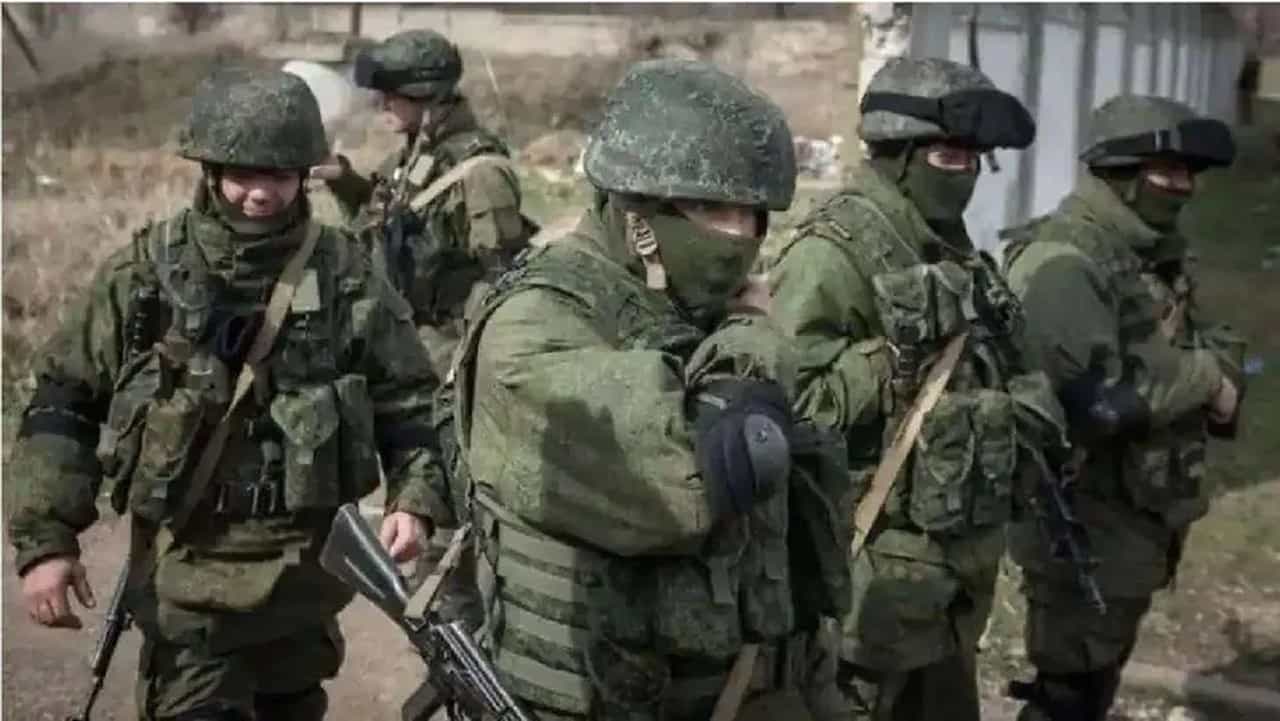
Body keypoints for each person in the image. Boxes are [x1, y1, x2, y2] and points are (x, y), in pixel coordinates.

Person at [6, 68, 448, 721]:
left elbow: (409, 401)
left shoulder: (346, 274)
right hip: (187, 585)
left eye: (280, 175)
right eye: (243, 174)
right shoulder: (148, 273)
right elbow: (63, 403)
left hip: (302, 593)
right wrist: (46, 540)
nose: (261, 193)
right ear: (210, 170)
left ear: (305, 174)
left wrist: (415, 500)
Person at [451, 58, 851, 721]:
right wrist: (754, 335)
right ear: (636, 211)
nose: (740, 236)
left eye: (753, 213)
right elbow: (699, 477)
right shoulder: (536, 325)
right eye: (712, 208)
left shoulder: (691, 302)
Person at [765, 56, 1060, 721]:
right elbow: (785, 405)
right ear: (899, 155)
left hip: (945, 588)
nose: (967, 174)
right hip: (868, 588)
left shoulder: (949, 247)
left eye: (975, 158)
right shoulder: (833, 253)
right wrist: (890, 357)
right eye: (950, 156)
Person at [1000, 94, 1245, 721]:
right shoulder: (1064, 260)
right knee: (1068, 692)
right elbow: (1100, 404)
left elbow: (1216, 340)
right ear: (1120, 171)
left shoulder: (1149, 252)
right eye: (1168, 171)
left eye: (1190, 173)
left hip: (1138, 516)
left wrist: (1210, 375)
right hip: (1083, 521)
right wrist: (1207, 380)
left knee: (1096, 679)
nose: (1184, 186)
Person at [314, 27, 535, 377]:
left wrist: (463, 363)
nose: (382, 104)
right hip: (407, 330)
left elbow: (501, 278)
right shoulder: (420, 154)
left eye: (393, 95)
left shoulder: (481, 172)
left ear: (429, 98)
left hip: (448, 348)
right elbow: (387, 213)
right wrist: (343, 180)